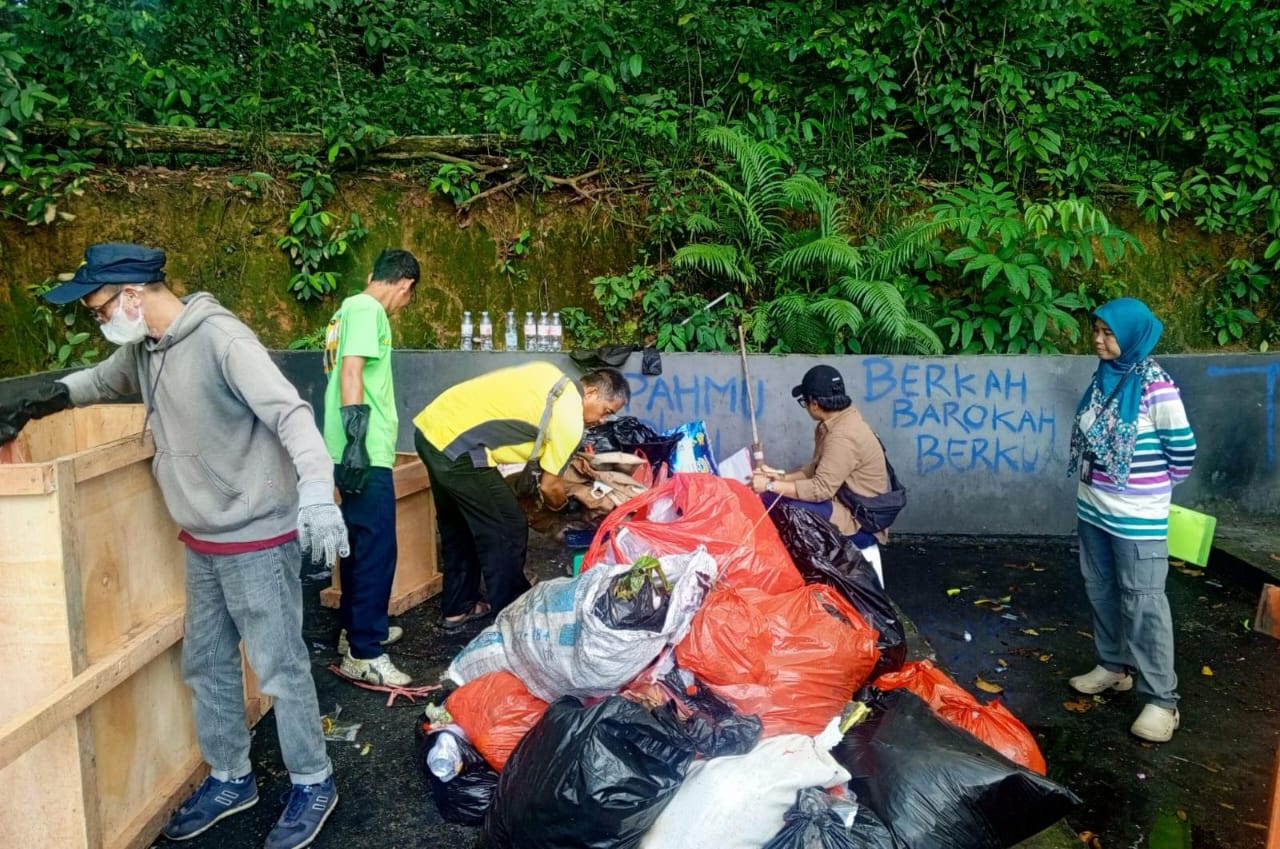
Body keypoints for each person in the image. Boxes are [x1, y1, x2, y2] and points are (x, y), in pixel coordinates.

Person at [0, 243, 347, 849]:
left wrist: (317, 492)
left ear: (132, 296)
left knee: (279, 668)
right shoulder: (146, 349)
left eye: (99, 307)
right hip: (203, 538)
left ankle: (314, 780)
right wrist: (38, 400)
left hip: (256, 536)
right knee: (207, 663)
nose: (98, 319)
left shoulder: (222, 340)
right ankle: (233, 777)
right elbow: (100, 382)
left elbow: (291, 414)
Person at [412, 363, 631, 625]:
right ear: (591, 392)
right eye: (606, 411)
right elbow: (551, 487)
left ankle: (458, 607)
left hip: (430, 431)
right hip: (460, 450)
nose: (602, 420)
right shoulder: (570, 416)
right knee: (508, 525)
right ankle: (514, 614)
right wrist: (563, 508)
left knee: (460, 525)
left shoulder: (549, 373)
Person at [1067, 297, 1196, 743]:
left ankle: (1162, 701)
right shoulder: (1104, 378)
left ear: (1133, 335)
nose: (1099, 341)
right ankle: (1113, 665)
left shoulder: (1155, 386)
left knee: (1144, 603)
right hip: (1093, 507)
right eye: (1096, 331)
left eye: (1108, 333)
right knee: (1100, 587)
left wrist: (1149, 489)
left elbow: (1182, 452)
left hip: (1137, 517)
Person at [322, 248, 420, 687]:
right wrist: (358, 439)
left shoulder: (346, 312)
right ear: (405, 285)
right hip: (363, 448)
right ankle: (365, 652)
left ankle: (358, 630)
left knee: (359, 542)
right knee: (377, 547)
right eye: (407, 297)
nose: (402, 307)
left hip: (349, 446)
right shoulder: (366, 310)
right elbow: (352, 373)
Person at [751, 364, 892, 584]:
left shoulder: (842, 436)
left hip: (861, 522)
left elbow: (820, 489)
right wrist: (779, 478)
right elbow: (816, 469)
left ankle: (796, 576)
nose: (806, 406)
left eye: (804, 402)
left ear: (815, 404)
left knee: (785, 508)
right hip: (845, 501)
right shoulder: (837, 421)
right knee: (772, 498)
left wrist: (769, 486)